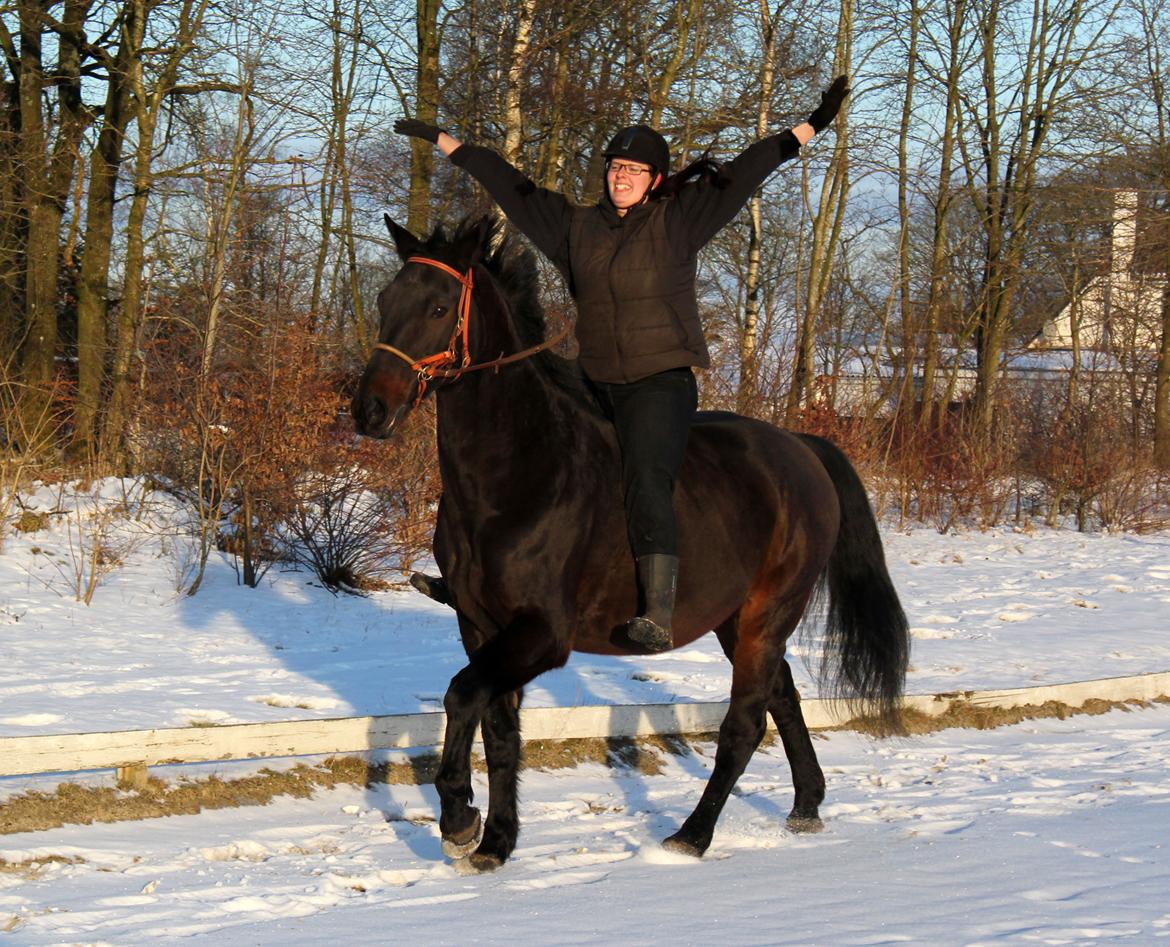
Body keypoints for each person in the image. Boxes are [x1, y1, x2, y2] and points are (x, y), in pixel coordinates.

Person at [395, 76, 850, 652]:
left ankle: (658, 606)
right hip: (594, 379)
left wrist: (811, 125)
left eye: (634, 170)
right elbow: (514, 188)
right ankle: (477, 577)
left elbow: (748, 169)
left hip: (658, 384)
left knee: (643, 477)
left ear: (654, 180)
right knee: (528, 458)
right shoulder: (575, 229)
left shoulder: (678, 221)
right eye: (614, 167)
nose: (621, 176)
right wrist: (446, 142)